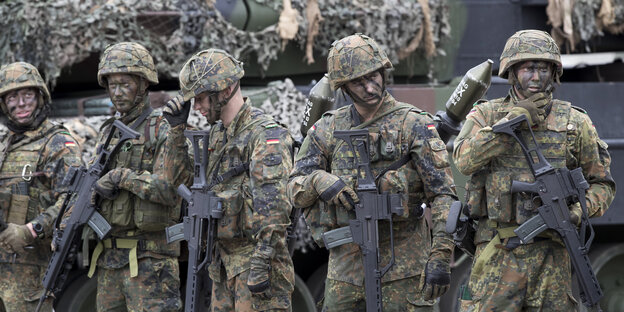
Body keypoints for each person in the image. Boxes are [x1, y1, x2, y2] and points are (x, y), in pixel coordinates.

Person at [288, 33, 457, 311]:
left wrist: (440, 255)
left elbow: (443, 195)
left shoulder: (413, 123)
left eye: (373, 76)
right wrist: (320, 180)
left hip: (405, 268)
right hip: (347, 271)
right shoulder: (328, 128)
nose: (369, 87)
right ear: (344, 88)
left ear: (383, 72)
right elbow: (294, 186)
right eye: (358, 82)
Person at [453, 29, 616, 311]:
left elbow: (602, 184)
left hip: (553, 256)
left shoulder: (574, 122)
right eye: (529, 68)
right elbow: (464, 160)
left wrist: (579, 210)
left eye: (544, 68)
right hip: (498, 255)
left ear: (554, 73)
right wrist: (509, 125)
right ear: (513, 71)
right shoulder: (487, 114)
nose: (537, 77)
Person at [163, 48, 295, 311]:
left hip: (256, 266)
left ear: (226, 90)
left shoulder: (265, 135)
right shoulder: (215, 137)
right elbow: (177, 179)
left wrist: (262, 263)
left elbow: (275, 208)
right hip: (222, 266)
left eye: (200, 99)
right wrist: (176, 133)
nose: (197, 107)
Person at [87, 42, 184, 311]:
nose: (117, 93)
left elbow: (167, 189)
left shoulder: (164, 128)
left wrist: (120, 177)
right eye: (111, 85)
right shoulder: (108, 132)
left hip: (151, 263)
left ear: (143, 84)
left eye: (125, 84)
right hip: (109, 261)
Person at [0, 62, 82, 311]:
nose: (21, 103)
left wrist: (31, 230)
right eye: (12, 97)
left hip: (31, 269)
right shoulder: (5, 144)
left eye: (27, 95)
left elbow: (75, 200)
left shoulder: (57, 142)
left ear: (40, 97)